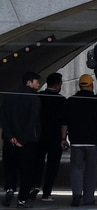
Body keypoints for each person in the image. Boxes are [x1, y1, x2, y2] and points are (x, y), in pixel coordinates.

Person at [62, 74, 97, 207]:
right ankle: (89, 198)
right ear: (91, 85)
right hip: (92, 141)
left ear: (79, 85)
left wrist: (63, 138)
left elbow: (65, 122)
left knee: (76, 169)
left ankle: (76, 194)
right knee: (90, 171)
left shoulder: (71, 101)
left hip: (76, 140)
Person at [1, 71, 43, 208]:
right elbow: (32, 121)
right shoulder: (34, 99)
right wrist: (22, 140)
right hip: (27, 142)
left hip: (10, 141)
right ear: (29, 82)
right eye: (36, 82)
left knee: (10, 168)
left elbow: (3, 118)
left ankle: (9, 189)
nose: (39, 85)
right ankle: (22, 199)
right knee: (27, 171)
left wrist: (10, 136)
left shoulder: (9, 97)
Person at [36, 73, 66, 202]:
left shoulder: (38, 97)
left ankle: (34, 186)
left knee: (37, 162)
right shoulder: (61, 100)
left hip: (38, 136)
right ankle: (46, 192)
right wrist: (64, 138)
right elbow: (65, 122)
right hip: (55, 137)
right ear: (58, 84)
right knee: (52, 165)